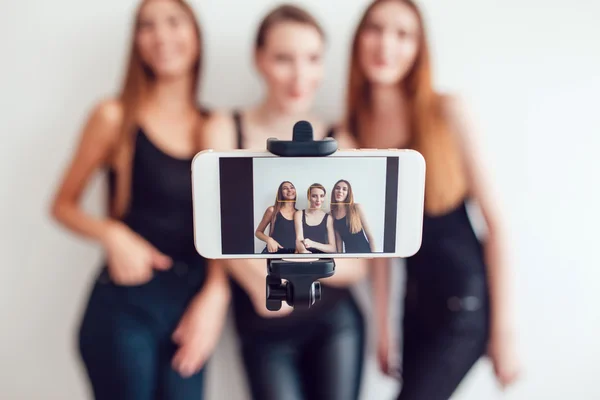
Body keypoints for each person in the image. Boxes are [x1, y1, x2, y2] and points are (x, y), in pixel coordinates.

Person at [339, 0, 522, 399]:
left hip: (464, 302)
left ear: (419, 48)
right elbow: (376, 243)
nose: (386, 44)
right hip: (414, 305)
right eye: (375, 29)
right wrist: (384, 327)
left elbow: (497, 225)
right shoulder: (352, 130)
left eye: (403, 34)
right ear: (358, 40)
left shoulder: (447, 112)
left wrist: (504, 332)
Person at [49, 1, 230, 399]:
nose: (162, 36)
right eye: (147, 26)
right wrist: (112, 233)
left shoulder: (215, 128)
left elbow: (225, 226)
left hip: (189, 309)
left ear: (196, 36)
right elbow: (62, 204)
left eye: (173, 22)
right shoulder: (114, 117)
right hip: (125, 307)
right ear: (136, 42)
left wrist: (217, 295)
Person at [200, 4, 367, 400]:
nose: (300, 76)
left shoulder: (341, 138)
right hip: (262, 324)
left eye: (312, 59)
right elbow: (209, 231)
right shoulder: (224, 129)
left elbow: (358, 262)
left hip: (335, 323)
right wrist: (256, 277)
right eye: (283, 59)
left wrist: (271, 265)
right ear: (259, 60)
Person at [330, 179, 375, 253]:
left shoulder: (356, 208)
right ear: (334, 191)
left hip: (365, 253)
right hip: (350, 255)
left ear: (348, 193)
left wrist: (374, 256)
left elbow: (370, 237)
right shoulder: (332, 214)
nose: (340, 191)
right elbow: (339, 242)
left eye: (344, 189)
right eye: (337, 188)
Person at [255, 180, 298, 253]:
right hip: (274, 253)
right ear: (280, 193)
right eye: (285, 188)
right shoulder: (272, 210)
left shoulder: (299, 214)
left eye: (292, 187)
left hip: (292, 255)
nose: (289, 190)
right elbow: (258, 232)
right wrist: (269, 240)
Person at [295, 183, 337, 254]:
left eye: (321, 196)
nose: (318, 200)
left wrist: (313, 244)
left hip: (322, 259)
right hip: (304, 257)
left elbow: (333, 248)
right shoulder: (299, 214)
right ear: (309, 197)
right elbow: (299, 239)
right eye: (314, 196)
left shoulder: (328, 218)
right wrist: (304, 252)